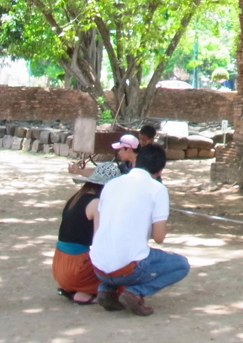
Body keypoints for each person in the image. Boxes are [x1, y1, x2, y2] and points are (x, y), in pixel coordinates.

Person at [90, 143, 189, 316]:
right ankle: (136, 291)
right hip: (127, 269)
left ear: (136, 162)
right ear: (159, 172)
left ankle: (106, 289)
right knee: (181, 265)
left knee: (122, 252)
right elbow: (159, 237)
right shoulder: (157, 189)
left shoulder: (111, 184)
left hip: (98, 266)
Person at [53, 162, 122, 305]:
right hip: (76, 268)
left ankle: (76, 290)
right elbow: (100, 243)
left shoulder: (76, 198)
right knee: (123, 279)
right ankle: (86, 292)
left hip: (59, 265)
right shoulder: (96, 204)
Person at [68, 134, 140, 178]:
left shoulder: (144, 166)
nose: (119, 152)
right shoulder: (126, 165)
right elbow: (104, 173)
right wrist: (79, 171)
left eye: (120, 149)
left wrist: (80, 171)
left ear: (128, 149)